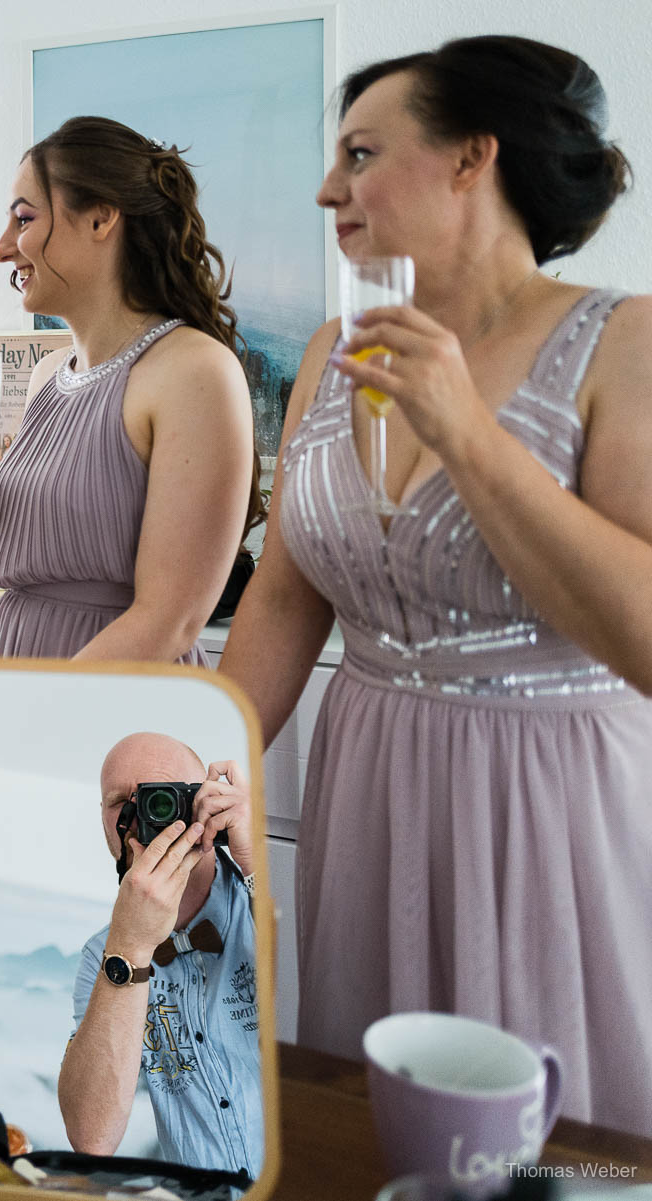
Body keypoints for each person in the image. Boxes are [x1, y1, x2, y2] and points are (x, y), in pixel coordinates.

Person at [218, 36, 652, 1134]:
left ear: (473, 159)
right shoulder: (332, 352)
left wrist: (467, 432)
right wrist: (200, 767)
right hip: (363, 793)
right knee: (376, 1130)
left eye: (360, 154)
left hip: (552, 809)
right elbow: (280, 598)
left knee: (553, 1146)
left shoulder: (625, 343)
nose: (329, 188)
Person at [0, 117, 259, 857]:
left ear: (102, 217)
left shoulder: (195, 372)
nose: (3, 247)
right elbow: (36, 574)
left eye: (23, 216)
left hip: (117, 723)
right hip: (18, 679)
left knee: (111, 955)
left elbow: (168, 619)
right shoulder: (50, 375)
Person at [60, 733, 261, 1181]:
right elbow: (92, 1138)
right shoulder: (102, 956)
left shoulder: (266, 895)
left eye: (162, 795)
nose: (142, 815)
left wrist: (255, 860)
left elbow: (321, 1006)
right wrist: (129, 947)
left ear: (209, 801)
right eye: (119, 802)